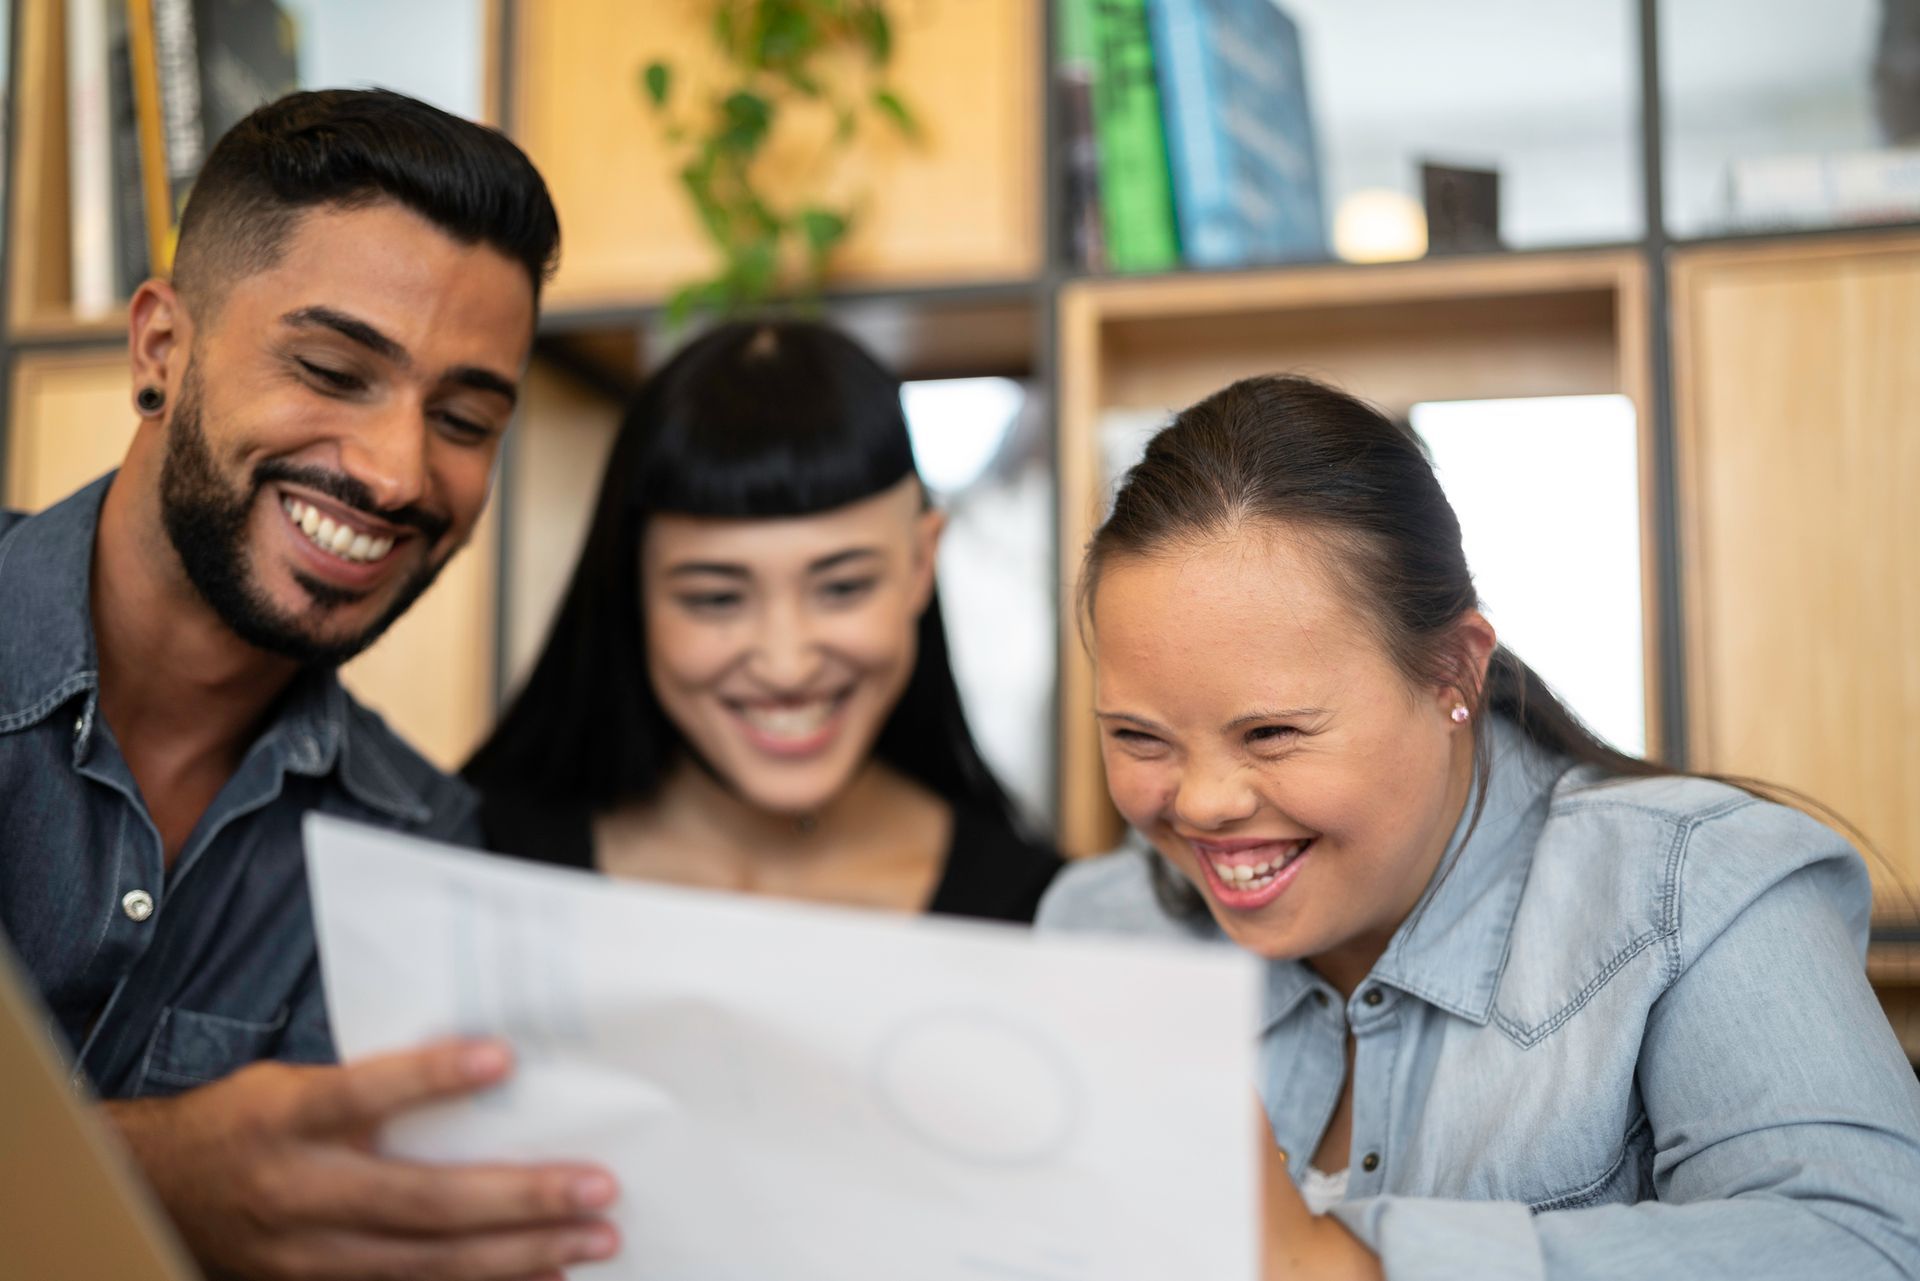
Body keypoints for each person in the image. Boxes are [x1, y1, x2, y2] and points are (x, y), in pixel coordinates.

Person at [1037, 375, 1920, 1279]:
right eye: (1139, 737)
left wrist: (1344, 1264)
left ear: (1452, 672)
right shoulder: (1095, 931)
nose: (1203, 802)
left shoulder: (1695, 890)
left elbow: (1868, 1244)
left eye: (1271, 732)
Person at [0, 90, 624, 1279]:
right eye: (334, 369)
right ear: (160, 350)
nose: (396, 472)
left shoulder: (422, 850)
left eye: (463, 417)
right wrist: (151, 1173)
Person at [465, 319, 1060, 920]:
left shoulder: (1040, 917)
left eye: (843, 587)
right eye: (716, 599)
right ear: (630, 586)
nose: (786, 665)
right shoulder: (474, 867)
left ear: (920, 563)